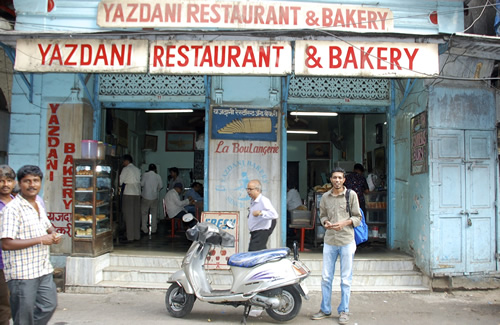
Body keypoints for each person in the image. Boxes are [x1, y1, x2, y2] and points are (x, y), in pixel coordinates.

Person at [0, 165, 61, 325]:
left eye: (36, 181)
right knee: (23, 315)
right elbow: (6, 243)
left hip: (43, 268)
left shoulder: (38, 204)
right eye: (27, 181)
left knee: (48, 305)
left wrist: (53, 234)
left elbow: (48, 226)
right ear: (19, 183)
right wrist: (41, 239)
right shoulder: (12, 210)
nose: (32, 185)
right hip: (22, 272)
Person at [311, 167, 361, 325]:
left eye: (340, 177)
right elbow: (323, 214)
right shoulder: (325, 196)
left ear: (344, 180)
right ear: (330, 179)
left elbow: (357, 217)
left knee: (346, 279)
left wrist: (344, 223)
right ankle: (325, 309)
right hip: (330, 241)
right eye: (334, 177)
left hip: (346, 240)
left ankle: (344, 310)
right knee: (326, 277)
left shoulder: (351, 195)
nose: (337, 180)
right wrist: (325, 222)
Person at [0, 165, 16, 325]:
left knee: (12, 302)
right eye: (1, 181)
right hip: (0, 261)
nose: (5, 184)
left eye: (9, 181)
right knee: (4, 304)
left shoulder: (18, 202)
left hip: (15, 262)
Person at [246, 179, 278, 251]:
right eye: (247, 189)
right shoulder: (253, 201)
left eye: (250, 189)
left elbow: (274, 215)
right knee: (258, 252)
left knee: (253, 253)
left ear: (257, 190)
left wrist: (260, 213)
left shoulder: (263, 200)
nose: (248, 191)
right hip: (255, 232)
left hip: (261, 231)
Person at [119, 154, 141, 242]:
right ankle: (137, 235)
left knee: (129, 215)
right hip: (137, 193)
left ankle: (130, 236)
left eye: (123, 161)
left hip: (128, 192)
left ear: (126, 161)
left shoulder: (126, 169)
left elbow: (120, 181)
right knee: (136, 215)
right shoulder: (137, 169)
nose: (123, 163)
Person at [140, 164, 163, 235]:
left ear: (149, 168)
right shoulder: (158, 176)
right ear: (155, 169)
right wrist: (157, 190)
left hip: (145, 197)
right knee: (154, 213)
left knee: (144, 213)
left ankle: (144, 229)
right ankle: (154, 229)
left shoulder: (145, 175)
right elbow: (161, 186)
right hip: (154, 197)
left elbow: (141, 184)